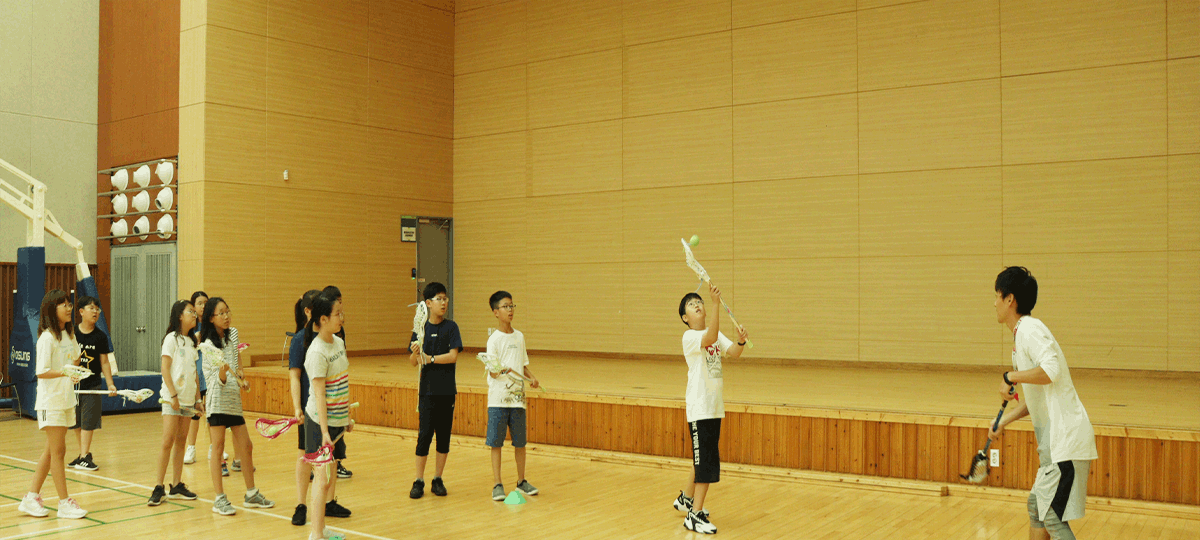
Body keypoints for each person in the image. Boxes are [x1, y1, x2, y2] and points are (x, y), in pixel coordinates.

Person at [989, 267, 1097, 540]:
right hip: (1054, 446)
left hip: (1065, 442)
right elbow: (1036, 399)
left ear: (1010, 299)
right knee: (1037, 508)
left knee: (1052, 518)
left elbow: (1051, 371)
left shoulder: (1030, 329)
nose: (994, 303)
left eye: (997, 295)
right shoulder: (1021, 337)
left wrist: (1010, 376)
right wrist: (1004, 421)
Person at [673, 283, 748, 534]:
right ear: (685, 317)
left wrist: (740, 341)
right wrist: (716, 304)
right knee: (705, 462)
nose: (697, 305)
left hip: (714, 407)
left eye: (699, 302)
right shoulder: (690, 337)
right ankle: (694, 516)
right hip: (700, 408)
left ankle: (686, 499)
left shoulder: (712, 332)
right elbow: (710, 338)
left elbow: (733, 353)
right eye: (691, 304)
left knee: (702, 458)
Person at [18, 290, 88, 519]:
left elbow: (76, 358)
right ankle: (64, 503)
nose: (68, 308)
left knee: (51, 451)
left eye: (69, 304)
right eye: (63, 305)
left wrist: (75, 371)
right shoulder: (47, 338)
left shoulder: (69, 334)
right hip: (51, 401)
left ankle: (31, 498)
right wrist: (65, 372)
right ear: (52, 309)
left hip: (66, 399)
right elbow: (42, 371)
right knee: (58, 452)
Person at [201, 297, 274, 515]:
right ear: (211, 318)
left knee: (246, 446)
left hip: (233, 399)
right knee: (218, 447)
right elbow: (214, 379)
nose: (226, 316)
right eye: (221, 313)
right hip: (217, 400)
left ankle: (251, 494)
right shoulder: (207, 345)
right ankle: (219, 499)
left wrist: (241, 377)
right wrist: (223, 373)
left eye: (227, 312)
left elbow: (236, 363)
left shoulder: (232, 334)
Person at [304, 293, 352, 540]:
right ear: (323, 319)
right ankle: (315, 534)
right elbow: (319, 394)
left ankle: (321, 529)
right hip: (318, 422)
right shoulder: (316, 352)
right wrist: (324, 431)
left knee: (330, 478)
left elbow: (342, 382)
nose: (341, 318)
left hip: (336, 420)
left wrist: (346, 417)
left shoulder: (339, 343)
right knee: (321, 479)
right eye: (337, 314)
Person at [484, 291, 540, 501]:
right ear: (495, 312)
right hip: (498, 400)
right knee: (496, 443)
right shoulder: (493, 340)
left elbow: (522, 365)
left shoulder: (519, 336)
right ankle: (497, 484)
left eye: (512, 306)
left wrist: (532, 378)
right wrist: (496, 370)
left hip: (518, 400)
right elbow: (492, 371)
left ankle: (521, 481)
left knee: (520, 443)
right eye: (505, 306)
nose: (510, 310)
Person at [409, 282, 462, 499]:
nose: (444, 302)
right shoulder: (420, 329)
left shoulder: (451, 327)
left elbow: (453, 356)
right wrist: (415, 353)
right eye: (439, 299)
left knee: (443, 437)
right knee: (424, 436)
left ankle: (437, 478)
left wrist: (429, 358)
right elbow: (413, 362)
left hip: (447, 391)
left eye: (445, 298)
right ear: (428, 303)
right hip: (427, 392)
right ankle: (419, 480)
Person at [149, 300, 202, 506]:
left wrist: (198, 399)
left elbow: (194, 374)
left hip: (188, 400)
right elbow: (165, 368)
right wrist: (173, 395)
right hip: (172, 399)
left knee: (181, 441)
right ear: (180, 315)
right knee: (167, 441)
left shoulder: (192, 342)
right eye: (190, 311)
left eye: (194, 312)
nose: (194, 315)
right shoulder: (171, 339)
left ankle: (177, 484)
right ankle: (158, 486)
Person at [67, 296, 116, 471]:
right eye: (91, 308)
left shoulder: (100, 336)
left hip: (92, 385)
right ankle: (84, 455)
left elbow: (104, 363)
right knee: (76, 422)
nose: (95, 312)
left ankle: (83, 456)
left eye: (97, 309)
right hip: (73, 386)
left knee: (88, 422)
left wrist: (110, 384)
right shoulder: (71, 333)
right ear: (81, 311)